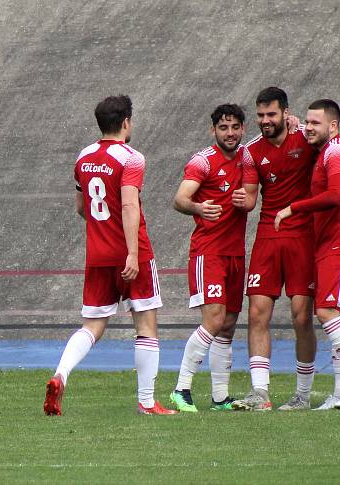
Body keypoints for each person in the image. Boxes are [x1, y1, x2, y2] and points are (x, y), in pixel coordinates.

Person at [231, 87, 340, 412]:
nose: (265, 121)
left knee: (302, 316)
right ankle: (260, 393)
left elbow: (337, 152)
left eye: (271, 115)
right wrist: (241, 200)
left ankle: (302, 394)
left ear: (284, 113)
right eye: (261, 115)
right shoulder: (252, 152)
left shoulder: (307, 141)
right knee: (257, 312)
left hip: (305, 236)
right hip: (268, 234)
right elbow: (251, 197)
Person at [44, 95, 176, 416]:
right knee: (145, 325)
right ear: (126, 122)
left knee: (92, 326)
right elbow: (130, 204)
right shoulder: (131, 158)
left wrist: (103, 230)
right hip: (134, 254)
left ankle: (61, 374)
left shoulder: (84, 157)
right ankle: (146, 402)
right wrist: (131, 252)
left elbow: (81, 207)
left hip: (98, 255)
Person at [274, 98, 340, 410]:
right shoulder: (332, 150)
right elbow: (304, 131)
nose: (310, 127)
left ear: (333, 125)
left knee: (326, 313)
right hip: (338, 246)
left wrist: (293, 207)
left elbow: (334, 196)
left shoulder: (339, 151)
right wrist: (294, 123)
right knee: (339, 317)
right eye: (308, 121)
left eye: (316, 123)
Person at [168, 104, 252, 412]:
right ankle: (181, 389)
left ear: (243, 128)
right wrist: (200, 208)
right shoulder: (203, 162)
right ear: (212, 130)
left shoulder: (247, 156)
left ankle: (219, 397)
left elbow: (280, 136)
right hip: (209, 251)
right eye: (223, 128)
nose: (229, 133)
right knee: (214, 319)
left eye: (234, 128)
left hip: (235, 253)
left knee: (228, 324)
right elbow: (179, 199)